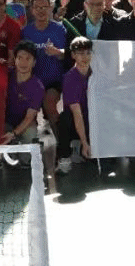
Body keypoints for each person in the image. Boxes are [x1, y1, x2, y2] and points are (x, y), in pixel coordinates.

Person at [0, 41, 45, 171]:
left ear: (34, 62)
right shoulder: (5, 74)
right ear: (15, 60)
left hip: (25, 124)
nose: (23, 62)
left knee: (25, 158)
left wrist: (13, 134)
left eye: (28, 59)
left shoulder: (38, 87)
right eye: (20, 58)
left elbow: (29, 118)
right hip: (4, 122)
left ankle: (25, 148)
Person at [21, 0, 69, 131]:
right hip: (32, 80)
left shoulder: (59, 29)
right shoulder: (26, 31)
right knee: (27, 112)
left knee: (49, 105)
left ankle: (62, 140)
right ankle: (30, 139)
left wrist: (58, 52)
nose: (41, 10)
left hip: (53, 80)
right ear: (32, 10)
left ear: (50, 8)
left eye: (44, 7)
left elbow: (68, 53)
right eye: (37, 7)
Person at [56, 36, 94, 174]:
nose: (85, 57)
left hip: (94, 120)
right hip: (77, 120)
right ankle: (65, 157)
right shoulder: (69, 78)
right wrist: (85, 142)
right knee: (64, 118)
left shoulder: (97, 73)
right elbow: (77, 114)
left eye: (88, 53)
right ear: (73, 55)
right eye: (81, 53)